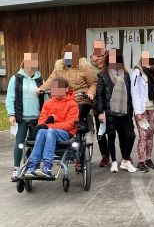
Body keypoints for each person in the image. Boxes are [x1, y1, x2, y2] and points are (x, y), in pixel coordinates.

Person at [37, 44, 97, 171]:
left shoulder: (84, 66)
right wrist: (41, 88)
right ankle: (57, 134)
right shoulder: (59, 66)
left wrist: (91, 92)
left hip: (81, 98)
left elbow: (93, 83)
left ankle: (79, 156)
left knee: (77, 117)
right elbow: (51, 80)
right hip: (63, 98)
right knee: (54, 114)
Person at [25, 77, 79, 177]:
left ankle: (47, 166)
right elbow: (41, 122)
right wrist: (47, 123)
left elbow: (70, 124)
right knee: (41, 131)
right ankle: (33, 165)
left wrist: (49, 125)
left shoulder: (72, 104)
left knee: (49, 131)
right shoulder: (48, 103)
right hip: (49, 132)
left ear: (66, 89)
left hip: (65, 133)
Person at [6, 53, 46, 181]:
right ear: (24, 63)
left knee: (35, 143)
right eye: (28, 62)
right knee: (19, 143)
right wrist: (11, 114)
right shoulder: (16, 78)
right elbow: (10, 97)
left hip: (36, 117)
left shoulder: (40, 80)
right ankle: (16, 168)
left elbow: (46, 98)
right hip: (21, 117)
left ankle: (33, 166)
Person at [96, 48, 136, 173]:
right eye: (111, 57)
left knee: (130, 135)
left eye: (116, 57)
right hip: (110, 111)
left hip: (124, 111)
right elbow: (99, 94)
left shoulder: (126, 74)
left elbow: (130, 93)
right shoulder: (103, 75)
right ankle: (113, 161)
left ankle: (125, 160)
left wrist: (132, 110)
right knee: (111, 136)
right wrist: (100, 112)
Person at [131, 51, 154, 172]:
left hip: (153, 108)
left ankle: (149, 159)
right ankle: (141, 161)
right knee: (143, 136)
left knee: (150, 135)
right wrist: (138, 112)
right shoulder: (137, 73)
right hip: (141, 110)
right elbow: (134, 93)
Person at [87, 40, 110, 168]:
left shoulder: (108, 62)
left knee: (110, 130)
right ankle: (105, 156)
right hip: (94, 103)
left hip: (108, 101)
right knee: (99, 131)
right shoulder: (87, 64)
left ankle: (120, 156)